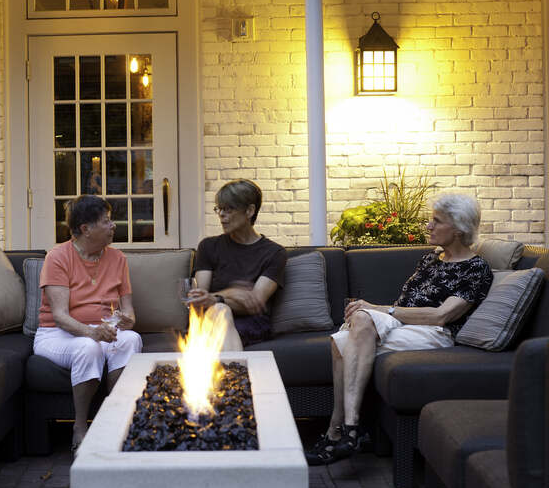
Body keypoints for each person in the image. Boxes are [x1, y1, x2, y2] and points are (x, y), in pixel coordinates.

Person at [306, 192, 493, 466]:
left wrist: (381, 310)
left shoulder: (475, 269)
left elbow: (441, 316)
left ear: (458, 229)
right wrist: (378, 313)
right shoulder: (431, 258)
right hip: (403, 325)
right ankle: (344, 431)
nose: (428, 226)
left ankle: (344, 429)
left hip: (433, 333)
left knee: (353, 329)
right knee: (344, 336)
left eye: (436, 221)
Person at [34, 195, 142, 452]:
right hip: (57, 334)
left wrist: (127, 321)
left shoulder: (118, 259)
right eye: (106, 222)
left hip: (103, 331)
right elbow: (60, 315)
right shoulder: (58, 257)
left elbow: (129, 311)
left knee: (132, 340)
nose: (113, 226)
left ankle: (114, 420)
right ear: (86, 229)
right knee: (87, 347)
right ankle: (80, 426)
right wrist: (93, 333)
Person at [186, 179, 287, 351]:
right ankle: (235, 376)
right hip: (210, 318)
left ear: (249, 210)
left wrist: (216, 298)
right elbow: (199, 299)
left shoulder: (274, 253)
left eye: (229, 209)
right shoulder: (208, 246)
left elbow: (254, 302)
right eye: (219, 208)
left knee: (220, 310)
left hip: (251, 323)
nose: (221, 215)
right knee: (219, 310)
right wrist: (230, 293)